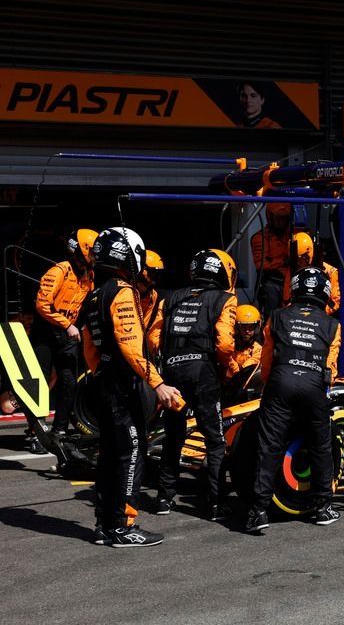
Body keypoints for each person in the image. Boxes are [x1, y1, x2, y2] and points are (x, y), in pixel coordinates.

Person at [82, 227, 182, 547]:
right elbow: (131, 346)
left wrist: (101, 372)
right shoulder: (122, 291)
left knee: (110, 454)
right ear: (129, 256)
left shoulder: (94, 294)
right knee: (131, 451)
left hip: (103, 384)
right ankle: (124, 526)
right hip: (122, 388)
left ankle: (104, 523)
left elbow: (88, 346)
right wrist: (159, 384)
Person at [246, 266, 341, 533]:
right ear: (325, 291)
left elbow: (265, 362)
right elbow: (331, 369)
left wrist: (271, 385)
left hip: (281, 380)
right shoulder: (332, 324)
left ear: (295, 288)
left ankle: (258, 511)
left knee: (269, 447)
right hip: (313, 384)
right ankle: (323, 508)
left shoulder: (276, 316)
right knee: (321, 446)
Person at [152, 249, 237, 520]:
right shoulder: (225, 299)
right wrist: (228, 368)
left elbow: (154, 337)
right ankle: (216, 504)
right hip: (203, 372)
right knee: (214, 440)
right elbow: (224, 344)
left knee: (173, 436)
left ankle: (164, 499)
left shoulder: (171, 297)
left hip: (172, 371)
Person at [30, 228, 97, 439]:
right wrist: (67, 324)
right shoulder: (59, 271)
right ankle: (35, 433)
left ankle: (59, 430)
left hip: (69, 335)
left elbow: (86, 305)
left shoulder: (89, 276)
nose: (95, 256)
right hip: (46, 332)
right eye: (92, 251)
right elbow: (42, 304)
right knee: (39, 381)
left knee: (68, 381)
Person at [284, 231, 340, 316]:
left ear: (308, 254)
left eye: (301, 258)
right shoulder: (292, 270)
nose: (298, 262)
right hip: (297, 315)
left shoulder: (330, 272)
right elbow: (286, 298)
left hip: (322, 316)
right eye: (295, 259)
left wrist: (314, 314)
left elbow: (334, 302)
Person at [251, 202, 292, 316]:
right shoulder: (260, 238)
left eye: (284, 218)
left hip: (291, 283)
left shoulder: (293, 235)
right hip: (271, 283)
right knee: (271, 316)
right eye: (278, 218)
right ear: (270, 217)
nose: (281, 221)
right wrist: (284, 262)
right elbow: (260, 265)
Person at [227, 304, 263, 380]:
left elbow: (243, 372)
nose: (247, 331)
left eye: (251, 327)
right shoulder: (228, 346)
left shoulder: (258, 350)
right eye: (243, 327)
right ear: (236, 327)